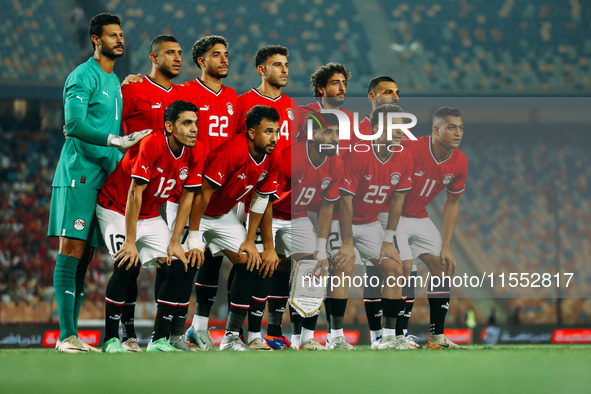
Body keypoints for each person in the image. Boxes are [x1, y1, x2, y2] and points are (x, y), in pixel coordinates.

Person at [48, 13, 150, 353]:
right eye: (112, 35)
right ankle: (65, 337)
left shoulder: (115, 83)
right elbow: (73, 125)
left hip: (103, 180)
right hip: (78, 174)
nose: (119, 40)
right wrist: (114, 141)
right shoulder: (82, 76)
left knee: (87, 255)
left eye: (121, 35)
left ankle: (72, 336)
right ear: (96, 39)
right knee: (71, 249)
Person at [168, 105, 281, 351]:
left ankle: (230, 337)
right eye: (269, 131)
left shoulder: (272, 156)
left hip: (222, 214)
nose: (275, 137)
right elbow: (202, 194)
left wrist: (251, 240)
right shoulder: (233, 150)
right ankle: (174, 335)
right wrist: (195, 237)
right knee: (187, 262)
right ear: (252, 133)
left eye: (277, 131)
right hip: (194, 210)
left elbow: (261, 200)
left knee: (250, 260)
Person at [97, 100, 203, 352]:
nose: (194, 129)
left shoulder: (195, 151)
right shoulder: (152, 143)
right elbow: (135, 192)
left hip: (149, 214)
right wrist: (131, 242)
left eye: (195, 123)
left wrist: (175, 241)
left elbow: (188, 196)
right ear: (169, 126)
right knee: (126, 263)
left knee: (177, 263)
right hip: (115, 209)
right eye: (187, 123)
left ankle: (159, 340)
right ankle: (111, 339)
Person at [113, 34, 184, 352]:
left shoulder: (184, 95)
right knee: (130, 263)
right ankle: (124, 333)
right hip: (130, 188)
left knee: (174, 261)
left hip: (167, 192)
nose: (178, 58)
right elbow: (107, 123)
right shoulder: (132, 89)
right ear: (154, 58)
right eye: (170, 53)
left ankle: (165, 336)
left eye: (180, 53)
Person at [173, 36, 240, 351]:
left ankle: (199, 328)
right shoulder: (184, 92)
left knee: (214, 261)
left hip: (222, 196)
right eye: (217, 55)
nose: (224, 60)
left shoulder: (233, 98)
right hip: (190, 191)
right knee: (183, 262)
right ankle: (169, 332)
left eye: (226, 55)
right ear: (201, 61)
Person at [332, 104, 414, 350]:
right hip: (340, 220)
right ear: (377, 129)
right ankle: (335, 336)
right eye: (395, 125)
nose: (401, 130)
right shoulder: (358, 153)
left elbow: (397, 201)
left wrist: (388, 239)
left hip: (369, 223)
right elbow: (345, 200)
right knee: (343, 268)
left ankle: (388, 338)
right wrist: (347, 243)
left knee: (395, 269)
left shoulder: (405, 157)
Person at [234, 45, 297, 350]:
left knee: (280, 263)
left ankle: (271, 330)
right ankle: (230, 331)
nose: (284, 70)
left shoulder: (292, 106)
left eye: (286, 64)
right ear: (261, 69)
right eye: (277, 64)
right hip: (247, 195)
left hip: (280, 197)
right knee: (244, 262)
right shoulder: (242, 102)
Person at [396, 106, 468, 349]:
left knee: (444, 267)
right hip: (391, 216)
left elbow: (453, 201)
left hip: (419, 216)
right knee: (405, 270)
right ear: (435, 130)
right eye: (451, 127)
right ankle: (397, 336)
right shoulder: (411, 150)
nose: (458, 132)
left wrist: (446, 246)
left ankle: (436, 337)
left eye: (460, 128)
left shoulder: (459, 162)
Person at [284, 112, 344, 350]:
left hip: (297, 217)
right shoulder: (293, 156)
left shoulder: (336, 163)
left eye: (338, 133)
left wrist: (321, 248)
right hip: (271, 214)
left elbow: (327, 206)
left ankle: (304, 338)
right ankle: (251, 334)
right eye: (329, 131)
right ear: (312, 134)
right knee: (264, 271)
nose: (336, 138)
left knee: (314, 267)